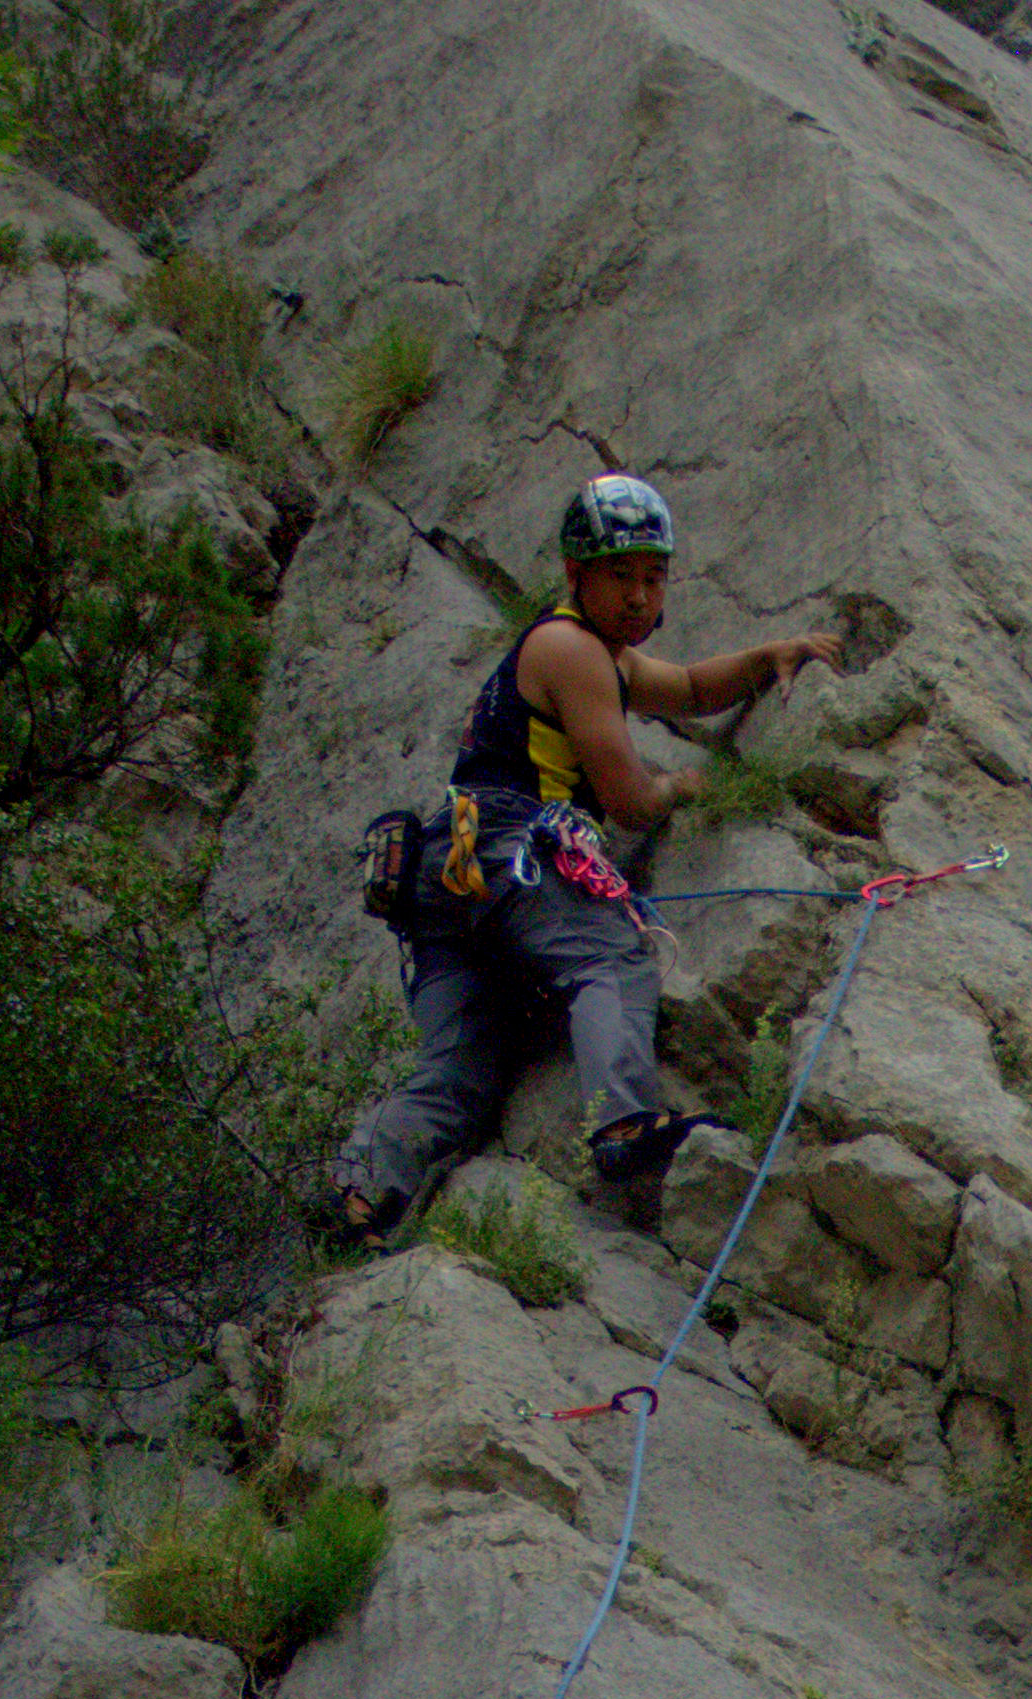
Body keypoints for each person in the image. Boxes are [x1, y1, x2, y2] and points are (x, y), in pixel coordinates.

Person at [331, 474, 842, 1237]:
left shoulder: (600, 655)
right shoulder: (570, 648)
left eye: (653, 577)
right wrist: (676, 787)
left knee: (463, 1070)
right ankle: (624, 1123)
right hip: (511, 854)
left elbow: (696, 687)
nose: (640, 597)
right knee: (613, 959)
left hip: (446, 890)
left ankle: (363, 1194)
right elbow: (631, 800)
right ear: (577, 575)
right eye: (621, 576)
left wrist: (770, 654)